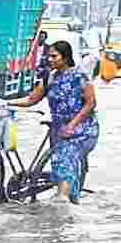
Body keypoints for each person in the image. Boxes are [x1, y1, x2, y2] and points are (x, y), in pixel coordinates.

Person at [10, 39, 98, 204]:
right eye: (48, 56)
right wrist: (6, 102)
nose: (49, 59)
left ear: (65, 57)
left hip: (82, 128)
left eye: (54, 56)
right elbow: (31, 99)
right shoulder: (49, 78)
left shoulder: (80, 76)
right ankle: (66, 195)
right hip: (59, 128)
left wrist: (72, 125)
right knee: (58, 161)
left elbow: (91, 104)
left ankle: (62, 200)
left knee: (66, 157)